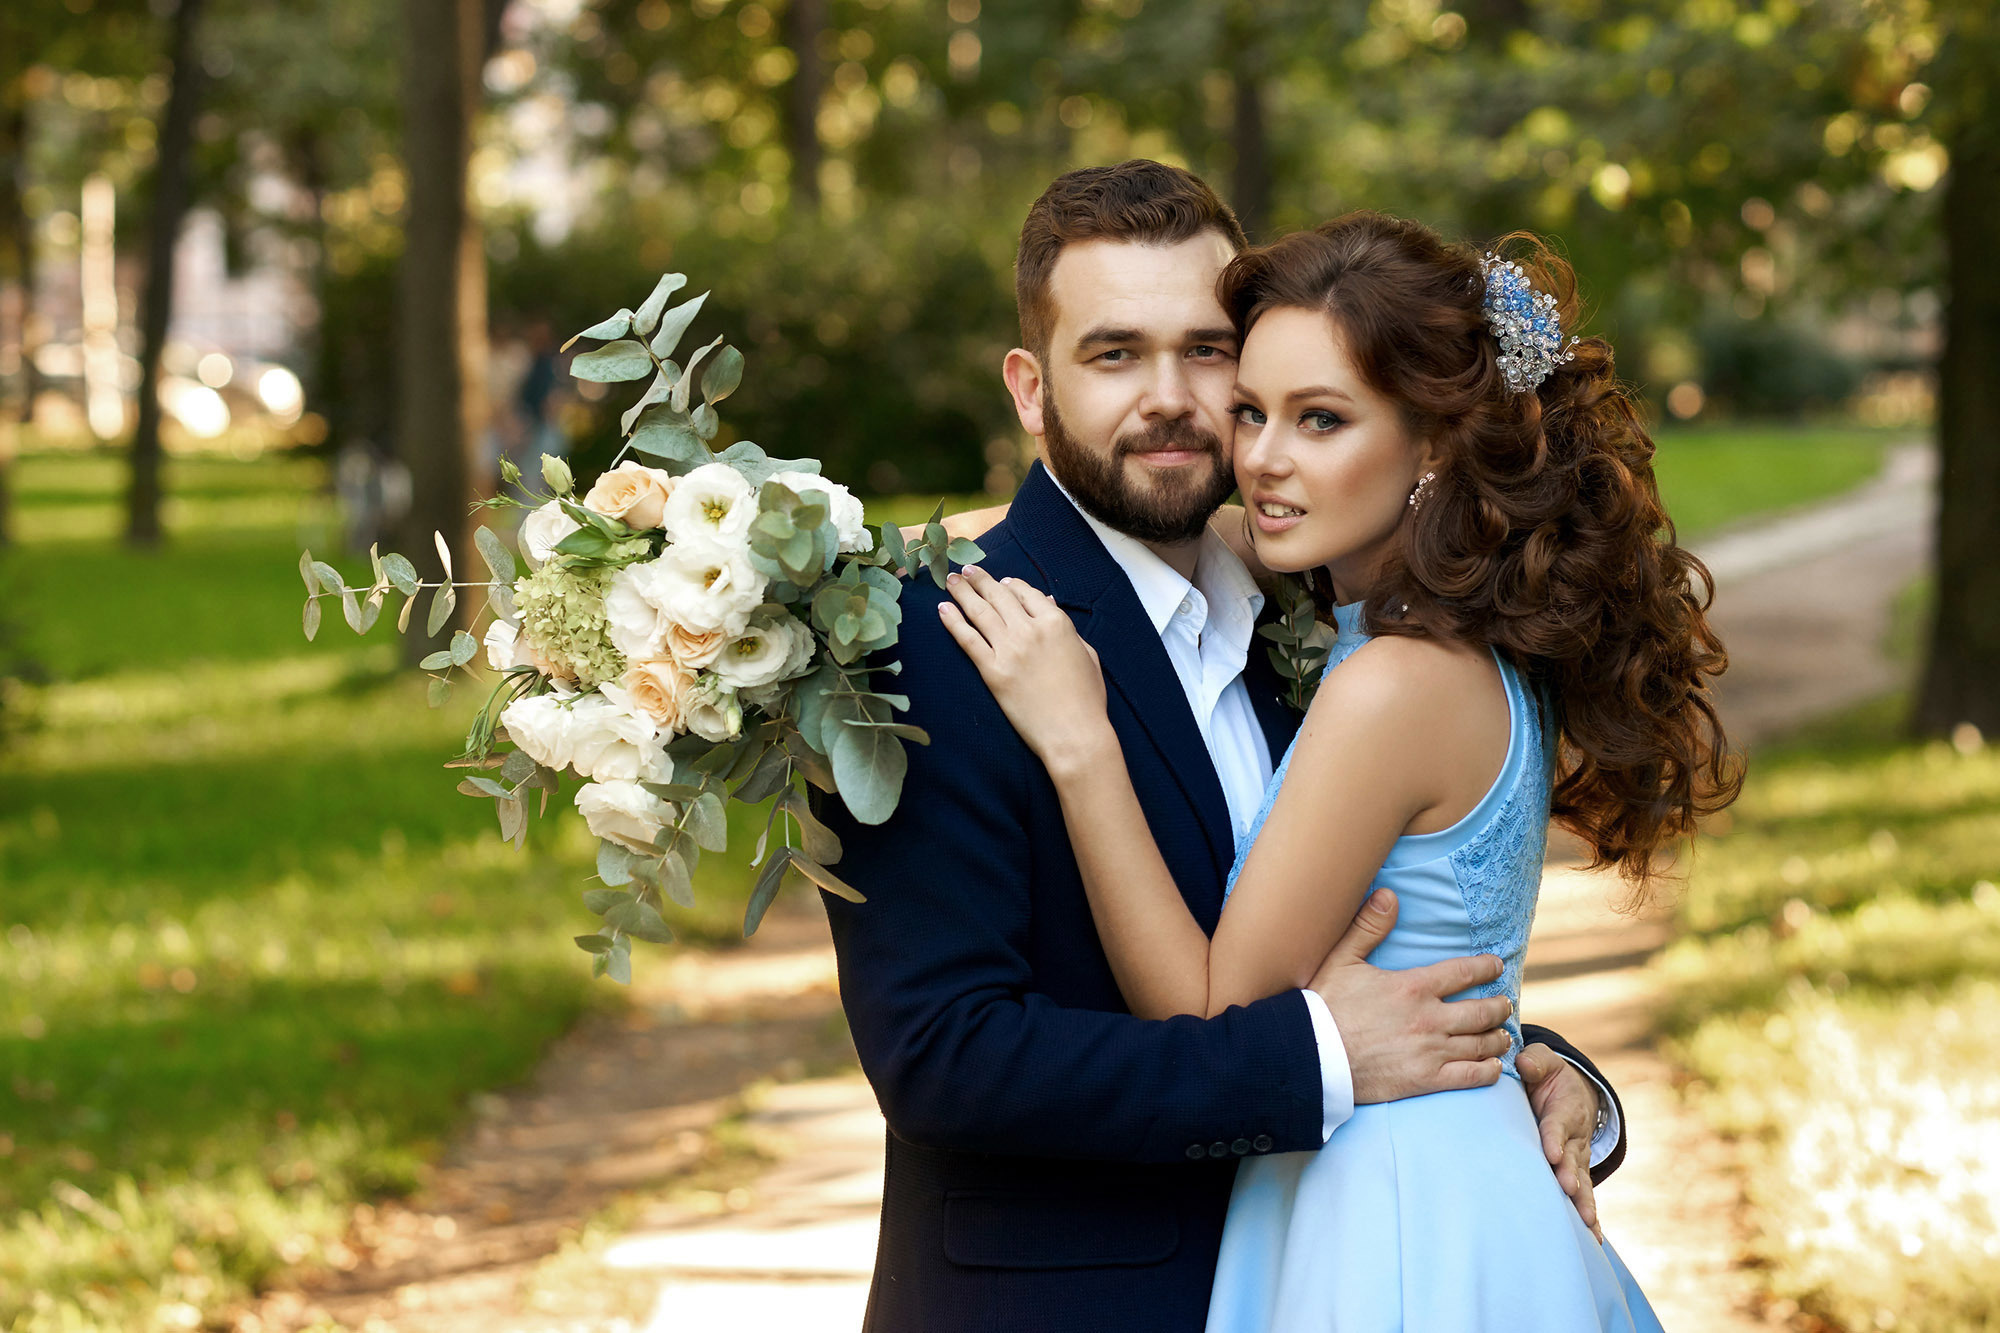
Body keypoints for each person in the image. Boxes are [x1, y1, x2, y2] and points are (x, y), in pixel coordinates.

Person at [817, 161, 1629, 1333]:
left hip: (1350, 1268)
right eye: (1113, 354)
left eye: (1205, 352)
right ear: (1031, 390)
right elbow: (946, 1055)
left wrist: (1534, 1065)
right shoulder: (930, 638)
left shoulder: (1309, 606)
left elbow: (1375, 939)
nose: (1169, 399)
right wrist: (1319, 1059)